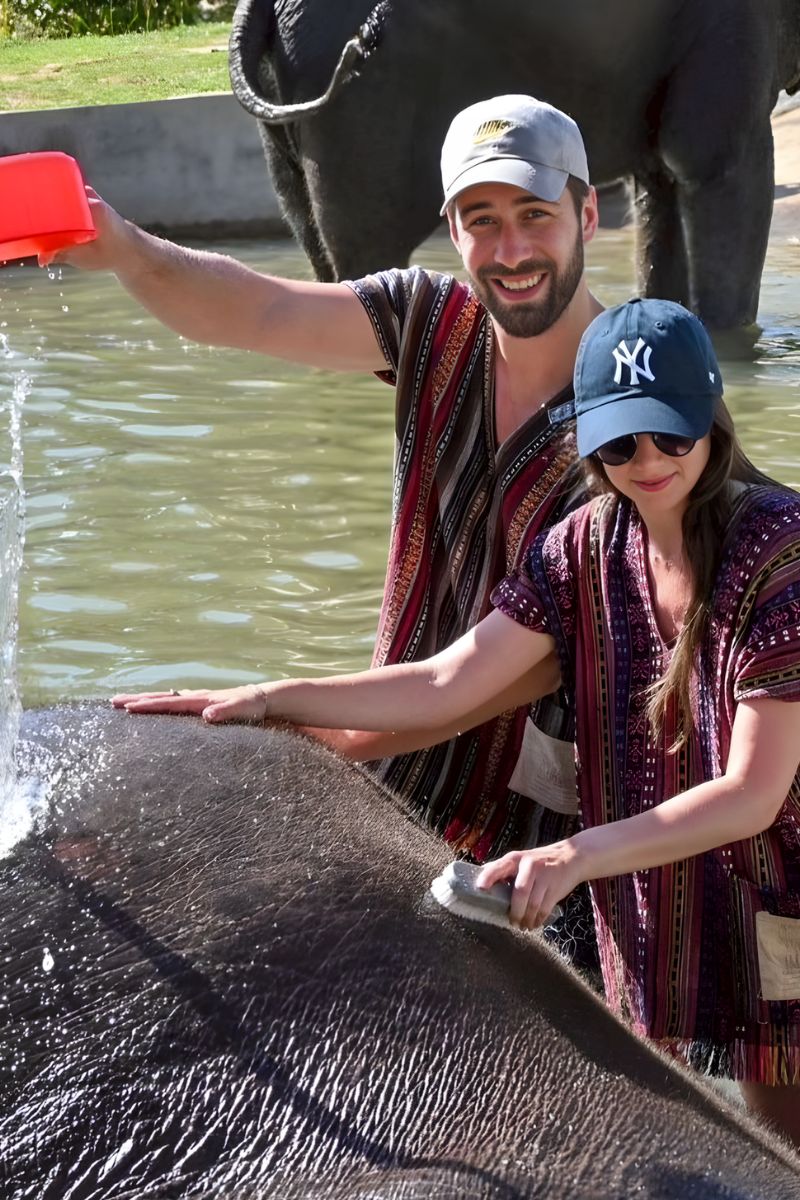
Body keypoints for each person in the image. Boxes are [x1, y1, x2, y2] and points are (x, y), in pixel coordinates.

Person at [116, 299, 800, 1145]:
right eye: (620, 442)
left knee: (784, 1128)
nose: (648, 461)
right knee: (664, 1128)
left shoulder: (779, 553)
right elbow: (445, 682)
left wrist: (572, 854)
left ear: (709, 421)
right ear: (589, 442)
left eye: (671, 435)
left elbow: (751, 795)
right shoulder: (578, 549)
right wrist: (272, 698)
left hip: (777, 883)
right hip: (656, 888)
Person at [59, 95, 603, 866]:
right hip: (382, 772)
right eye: (481, 219)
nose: (510, 250)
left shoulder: (637, 410)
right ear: (452, 231)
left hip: (541, 840)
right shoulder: (431, 319)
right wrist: (123, 249)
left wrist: (290, 733)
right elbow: (259, 310)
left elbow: (496, 680)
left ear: (587, 214)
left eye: (534, 214)